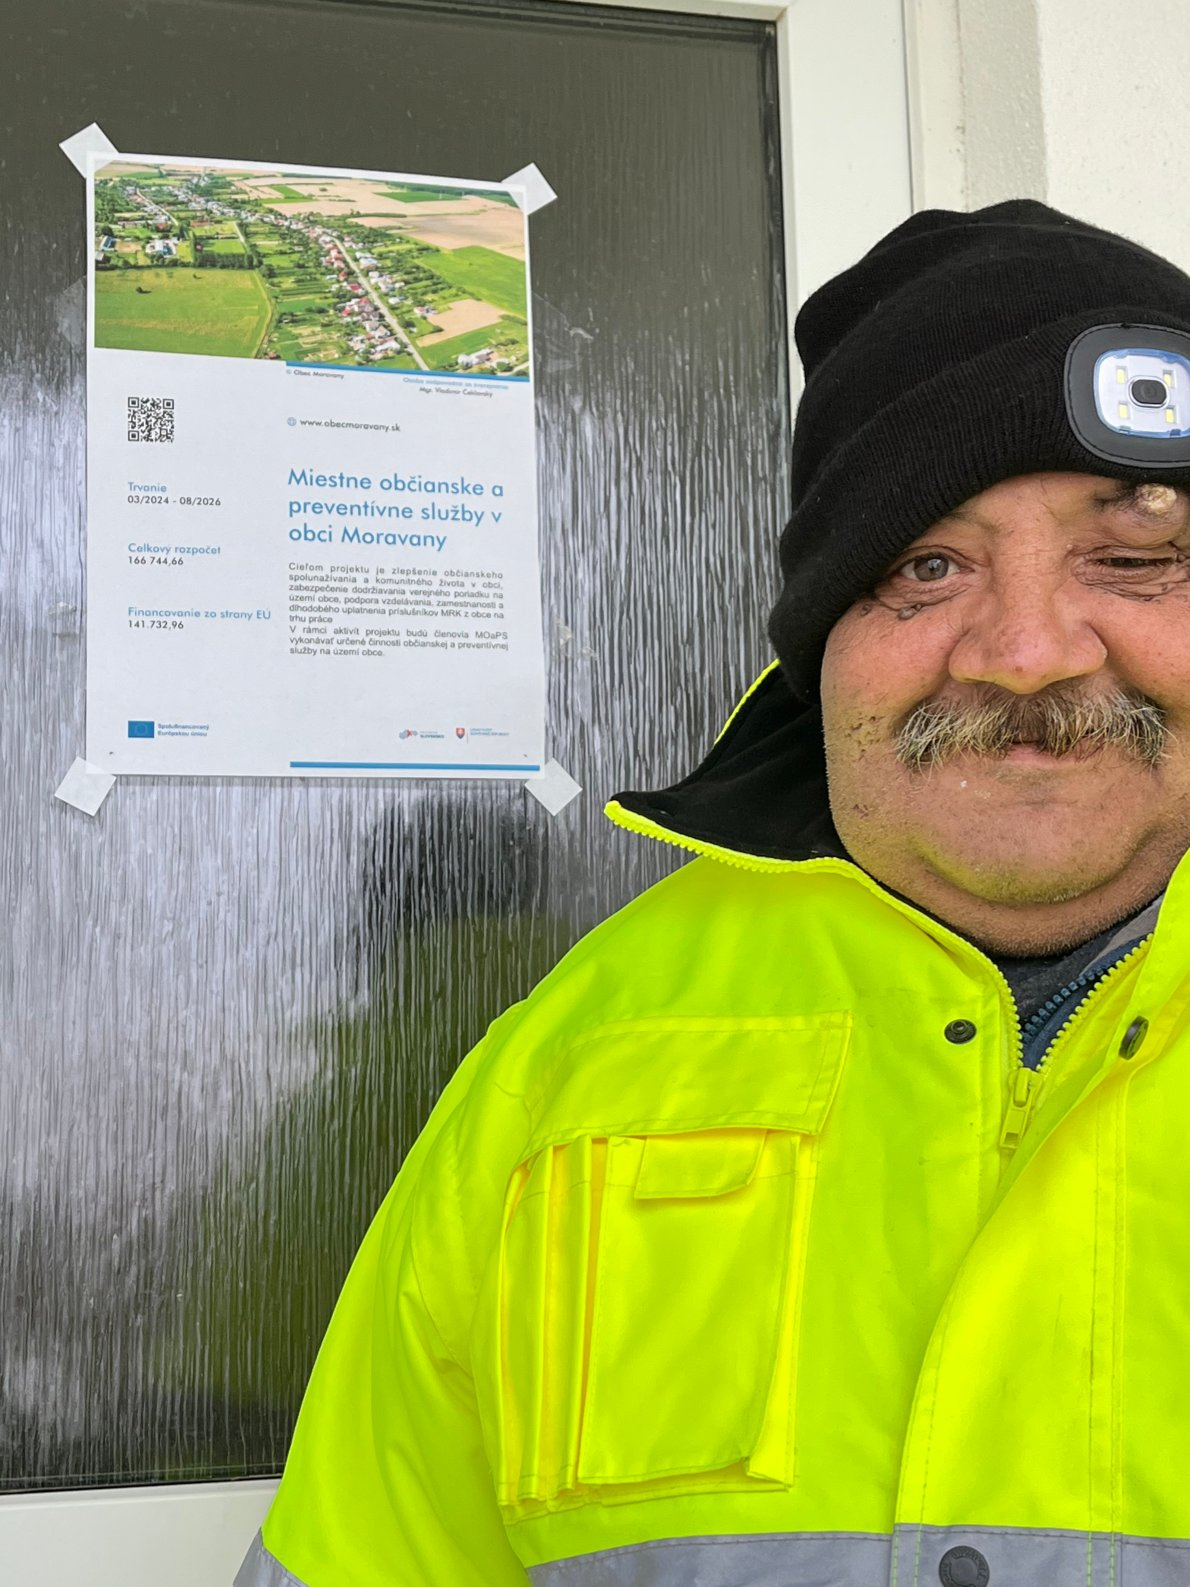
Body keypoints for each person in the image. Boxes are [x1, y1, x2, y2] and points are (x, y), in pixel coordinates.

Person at [236, 201, 1190, 1587]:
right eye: (925, 565)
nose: (1029, 651)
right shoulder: (563, 1073)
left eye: (1136, 559)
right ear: (822, 642)